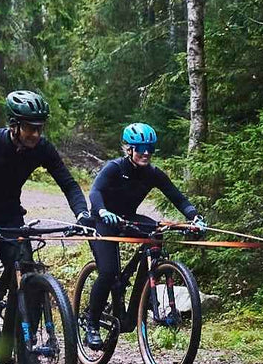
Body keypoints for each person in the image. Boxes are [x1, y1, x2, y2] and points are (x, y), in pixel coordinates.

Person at [0, 91, 90, 364]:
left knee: (27, 272)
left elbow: (68, 184)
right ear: (14, 124)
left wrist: (82, 214)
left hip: (9, 214)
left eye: (39, 128)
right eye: (30, 128)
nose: (35, 134)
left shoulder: (42, 149)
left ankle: (25, 347)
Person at [82, 122, 206, 349]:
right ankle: (91, 323)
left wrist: (194, 217)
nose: (146, 153)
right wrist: (102, 211)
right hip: (103, 221)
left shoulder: (153, 174)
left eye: (150, 148)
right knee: (109, 272)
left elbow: (177, 197)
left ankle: (143, 294)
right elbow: (95, 191)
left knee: (157, 233)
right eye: (140, 148)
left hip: (128, 217)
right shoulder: (115, 168)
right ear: (128, 149)